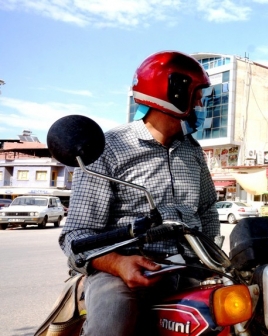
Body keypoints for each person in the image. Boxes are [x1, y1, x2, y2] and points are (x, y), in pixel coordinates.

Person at [58, 51, 221, 335]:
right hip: (123, 270)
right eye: (196, 93)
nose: (199, 102)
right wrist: (117, 263)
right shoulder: (108, 148)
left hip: (191, 266)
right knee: (114, 322)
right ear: (173, 92)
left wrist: (215, 260)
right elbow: (76, 235)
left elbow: (207, 209)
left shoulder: (192, 151)